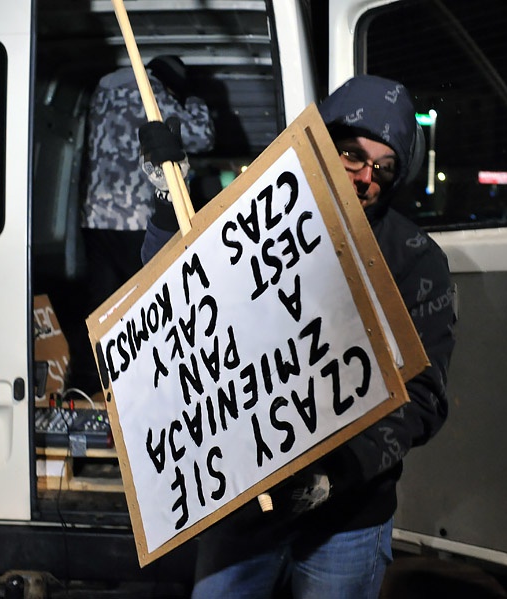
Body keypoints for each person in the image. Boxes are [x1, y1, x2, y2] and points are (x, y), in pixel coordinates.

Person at [139, 75, 456, 598]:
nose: (364, 176)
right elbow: (176, 306)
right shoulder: (258, 221)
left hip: (349, 520)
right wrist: (166, 201)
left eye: (384, 167)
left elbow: (422, 397)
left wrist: (337, 474)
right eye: (353, 154)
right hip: (242, 501)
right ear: (323, 143)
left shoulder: (417, 261)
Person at [54, 56, 216, 395]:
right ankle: (144, 391)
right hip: (139, 220)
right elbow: (202, 137)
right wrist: (196, 99)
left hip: (97, 218)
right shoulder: (152, 93)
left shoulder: (101, 92)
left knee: (102, 307)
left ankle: (87, 388)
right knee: (146, 311)